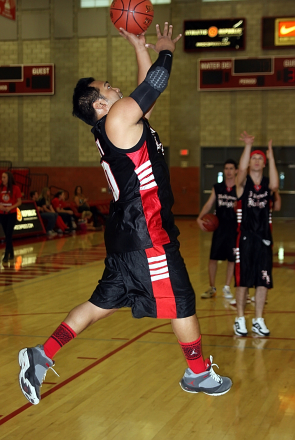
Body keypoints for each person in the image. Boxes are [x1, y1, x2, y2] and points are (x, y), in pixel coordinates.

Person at [18, 22, 232, 405]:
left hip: (128, 235)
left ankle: (41, 354)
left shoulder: (120, 124)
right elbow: (155, 83)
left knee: (99, 305)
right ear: (99, 104)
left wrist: (139, 47)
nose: (115, 87)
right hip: (145, 234)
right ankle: (198, 374)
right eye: (108, 87)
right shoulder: (117, 122)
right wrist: (165, 49)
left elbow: (147, 96)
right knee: (180, 300)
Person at [233, 131, 279, 337]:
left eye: (260, 158)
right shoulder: (243, 185)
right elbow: (241, 169)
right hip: (245, 239)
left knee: (263, 281)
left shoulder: (268, 185)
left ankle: (258, 320)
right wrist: (248, 146)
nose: (257, 161)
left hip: (265, 240)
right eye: (254, 158)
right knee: (243, 281)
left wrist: (272, 158)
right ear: (250, 162)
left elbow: (276, 185)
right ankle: (240, 318)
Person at [197, 160, 238, 299]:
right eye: (226, 168)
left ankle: (227, 287)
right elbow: (209, 204)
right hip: (219, 229)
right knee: (213, 258)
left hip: (234, 229)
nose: (228, 171)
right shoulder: (218, 187)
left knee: (232, 260)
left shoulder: (240, 188)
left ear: (236, 171)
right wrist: (199, 218)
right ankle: (212, 287)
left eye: (231, 168)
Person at [0, 171, 22, 262]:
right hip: (2, 214)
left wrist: (10, 207)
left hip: (11, 214)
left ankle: (6, 254)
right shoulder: (1, 188)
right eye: (2, 177)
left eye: (4, 177)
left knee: (9, 233)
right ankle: (12, 252)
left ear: (9, 178)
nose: (2, 179)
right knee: (7, 234)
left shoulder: (15, 188)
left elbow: (19, 201)